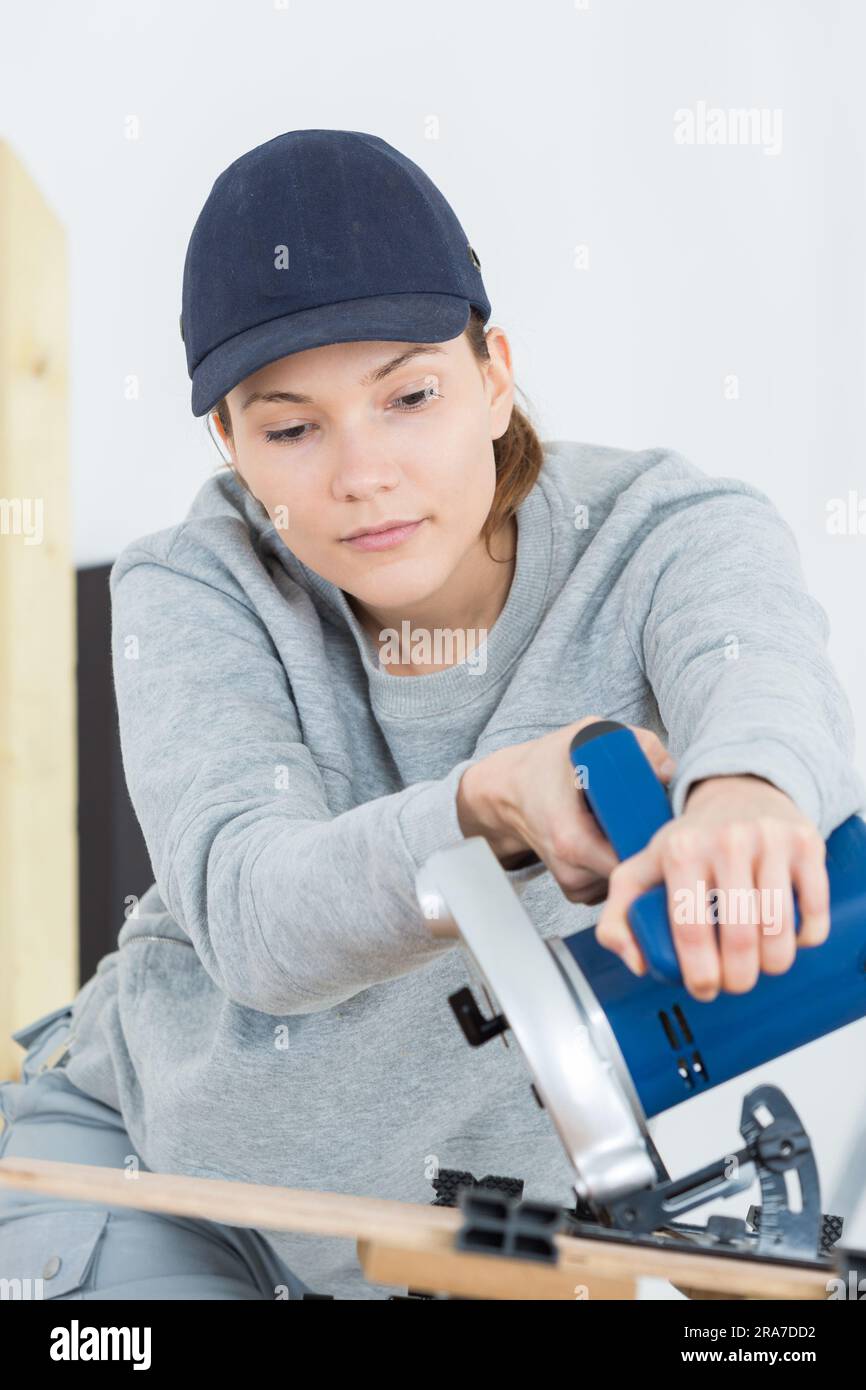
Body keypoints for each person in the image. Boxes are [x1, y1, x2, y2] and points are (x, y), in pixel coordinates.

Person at [1, 129, 864, 1301]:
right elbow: (255, 916)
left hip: (457, 1244)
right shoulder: (194, 584)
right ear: (229, 442)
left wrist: (743, 797)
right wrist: (483, 804)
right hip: (152, 1166)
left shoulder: (669, 529)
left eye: (409, 394)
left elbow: (756, 676)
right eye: (291, 425)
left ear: (494, 373)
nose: (361, 473)